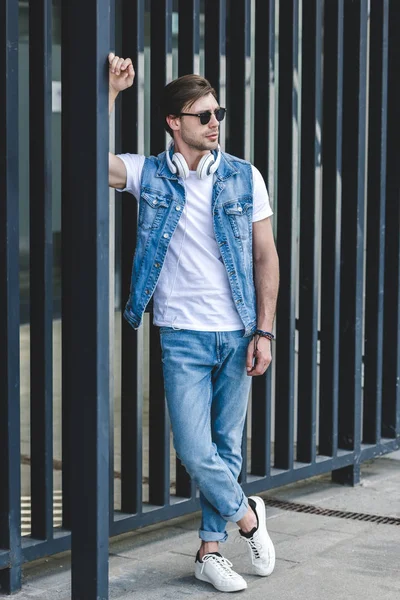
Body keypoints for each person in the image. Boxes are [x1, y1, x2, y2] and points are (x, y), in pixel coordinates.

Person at [108, 52, 280, 593]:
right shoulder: (149, 173)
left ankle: (210, 552)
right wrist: (111, 95)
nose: (214, 124)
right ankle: (246, 515)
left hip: (238, 331)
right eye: (201, 115)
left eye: (217, 113)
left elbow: (266, 258)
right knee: (194, 448)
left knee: (226, 448)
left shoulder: (244, 177)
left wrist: (265, 331)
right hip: (182, 334)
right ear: (173, 123)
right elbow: (89, 161)